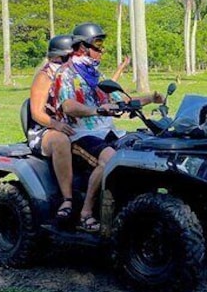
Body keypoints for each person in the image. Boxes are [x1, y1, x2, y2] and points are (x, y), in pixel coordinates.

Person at [59, 22, 163, 232]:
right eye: (97, 46)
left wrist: (150, 98)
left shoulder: (96, 76)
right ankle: (85, 214)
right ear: (82, 47)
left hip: (107, 131)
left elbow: (123, 100)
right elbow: (68, 106)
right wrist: (97, 110)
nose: (102, 51)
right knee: (109, 159)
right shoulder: (66, 74)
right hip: (82, 135)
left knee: (142, 148)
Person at [27, 33, 77, 222]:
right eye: (70, 56)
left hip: (70, 126)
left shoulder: (73, 75)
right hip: (44, 130)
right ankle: (67, 199)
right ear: (59, 56)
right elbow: (36, 113)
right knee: (61, 141)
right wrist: (57, 125)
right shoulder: (44, 76)